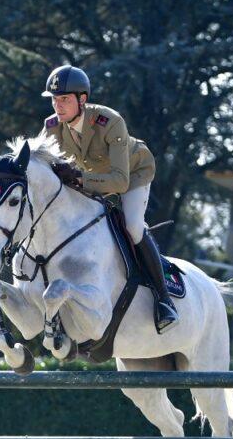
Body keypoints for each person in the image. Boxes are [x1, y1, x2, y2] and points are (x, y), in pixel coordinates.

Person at [38, 65, 179, 333]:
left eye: (65, 99)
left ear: (82, 99)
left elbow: (119, 181)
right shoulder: (52, 127)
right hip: (90, 179)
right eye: (55, 99)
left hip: (132, 174)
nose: (58, 105)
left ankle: (164, 299)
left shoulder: (108, 121)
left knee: (133, 226)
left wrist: (78, 178)